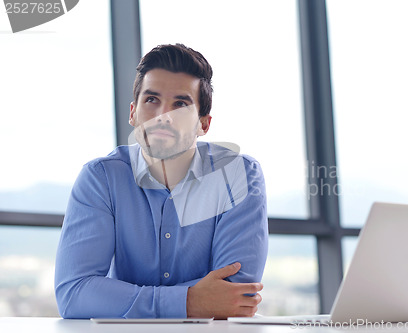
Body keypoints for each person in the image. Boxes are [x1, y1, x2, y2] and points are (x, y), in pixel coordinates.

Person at [54, 44, 268, 319]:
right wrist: (189, 302)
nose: (163, 116)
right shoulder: (102, 178)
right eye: (151, 100)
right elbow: (74, 294)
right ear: (133, 113)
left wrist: (120, 298)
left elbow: (235, 294)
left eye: (180, 104)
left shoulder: (237, 175)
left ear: (204, 124)